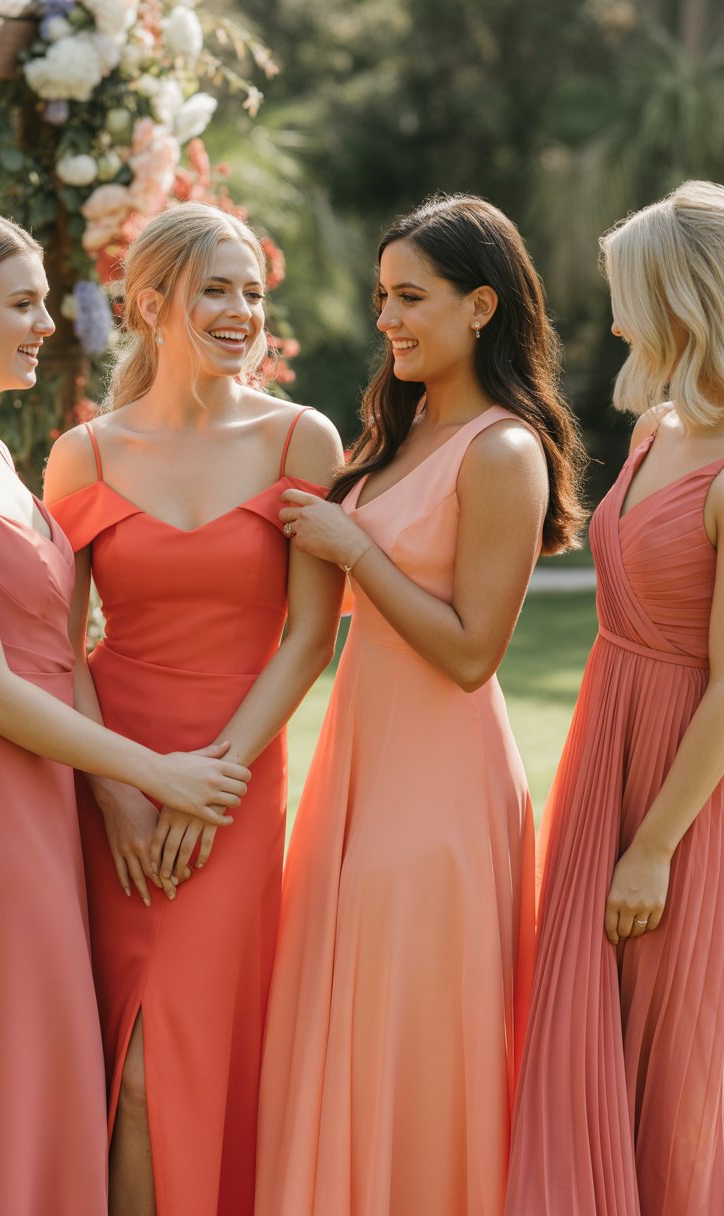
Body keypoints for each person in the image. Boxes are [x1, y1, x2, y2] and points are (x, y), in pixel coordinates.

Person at [0, 206, 249, 1216]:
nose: (51, 320)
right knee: (21, 1074)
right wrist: (155, 771)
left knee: (57, 1074)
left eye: (47, 299)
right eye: (24, 302)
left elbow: (62, 644)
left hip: (51, 808)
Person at [255, 192, 587, 1216]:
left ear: (481, 305)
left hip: (438, 788)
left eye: (412, 297)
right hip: (356, 768)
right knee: (342, 1026)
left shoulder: (502, 450)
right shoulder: (393, 433)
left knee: (413, 1040)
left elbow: (472, 652)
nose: (388, 317)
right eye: (381, 296)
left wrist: (354, 547)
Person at [43, 201, 343, 1216]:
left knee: (181, 1052)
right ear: (152, 303)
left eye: (254, 292)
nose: (240, 310)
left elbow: (308, 635)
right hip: (110, 784)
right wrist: (120, 790)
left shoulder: (302, 438)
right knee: (123, 1059)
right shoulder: (84, 453)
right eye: (217, 288)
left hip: (236, 782)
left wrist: (209, 781)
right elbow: (59, 642)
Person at [506, 180, 724, 1215]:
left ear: (684, 296)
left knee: (676, 1049)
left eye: (626, 290)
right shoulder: (656, 428)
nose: (611, 314)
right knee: (593, 1019)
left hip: (688, 786)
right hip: (609, 741)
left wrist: (654, 845)